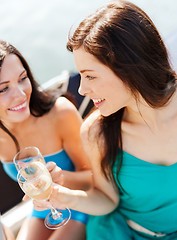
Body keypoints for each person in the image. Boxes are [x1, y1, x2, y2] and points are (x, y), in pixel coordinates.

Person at [32, 0, 177, 239]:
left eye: (90, 76)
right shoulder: (95, 132)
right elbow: (107, 200)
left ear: (128, 69)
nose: (82, 90)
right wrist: (62, 195)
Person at [0, 40, 92, 240]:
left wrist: (60, 179)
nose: (20, 94)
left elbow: (94, 179)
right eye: (3, 89)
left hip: (80, 204)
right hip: (42, 210)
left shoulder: (60, 113)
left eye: (22, 78)